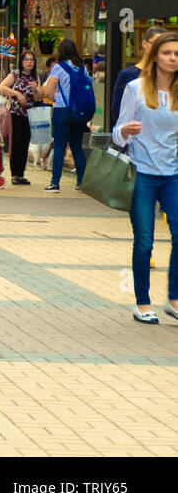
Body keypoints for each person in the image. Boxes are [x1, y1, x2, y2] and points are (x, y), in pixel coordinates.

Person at [112, 31, 178, 325]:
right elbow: (117, 132)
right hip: (142, 174)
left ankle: (174, 300)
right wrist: (125, 132)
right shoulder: (135, 88)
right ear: (154, 57)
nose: (173, 58)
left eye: (177, 54)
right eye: (167, 53)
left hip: (173, 174)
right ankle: (142, 302)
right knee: (144, 241)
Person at [41, 37, 92, 192]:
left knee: (59, 146)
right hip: (79, 112)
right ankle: (81, 183)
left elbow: (48, 92)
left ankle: (55, 183)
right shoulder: (82, 67)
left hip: (62, 111)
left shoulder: (58, 68)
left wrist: (55, 96)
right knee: (76, 147)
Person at [0, 49, 42, 185]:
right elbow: (1, 87)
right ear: (21, 62)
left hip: (30, 115)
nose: (29, 62)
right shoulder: (15, 74)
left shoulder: (35, 77)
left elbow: (39, 98)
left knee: (25, 144)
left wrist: (36, 90)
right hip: (15, 114)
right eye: (26, 60)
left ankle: (21, 174)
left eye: (31, 60)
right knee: (16, 144)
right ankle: (14, 175)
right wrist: (17, 94)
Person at [112, 26, 169, 126]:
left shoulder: (169, 75)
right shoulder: (128, 75)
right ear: (144, 43)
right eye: (155, 43)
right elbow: (117, 111)